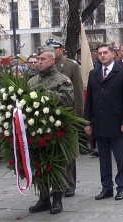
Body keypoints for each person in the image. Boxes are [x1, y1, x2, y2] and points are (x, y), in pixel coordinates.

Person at [27, 45, 74, 214]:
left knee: (56, 164)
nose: (39, 62)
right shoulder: (32, 81)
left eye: (43, 59)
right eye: (38, 59)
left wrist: (47, 93)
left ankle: (57, 198)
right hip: (35, 131)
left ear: (52, 60)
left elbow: (68, 101)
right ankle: (43, 197)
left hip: (55, 131)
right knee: (39, 163)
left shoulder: (62, 79)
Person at [84, 43, 123, 201]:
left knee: (120, 157)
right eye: (100, 53)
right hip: (99, 121)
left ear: (113, 54)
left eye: (105, 52)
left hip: (117, 121)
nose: (102, 55)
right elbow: (89, 100)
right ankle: (106, 187)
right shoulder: (94, 73)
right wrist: (87, 122)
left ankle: (121, 187)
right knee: (103, 158)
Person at [46, 38, 84, 197]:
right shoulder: (45, 66)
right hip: (48, 117)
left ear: (61, 49)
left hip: (67, 115)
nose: (51, 51)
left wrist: (78, 118)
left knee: (68, 152)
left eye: (54, 48)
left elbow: (78, 93)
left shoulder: (71, 66)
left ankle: (69, 184)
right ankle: (54, 183)